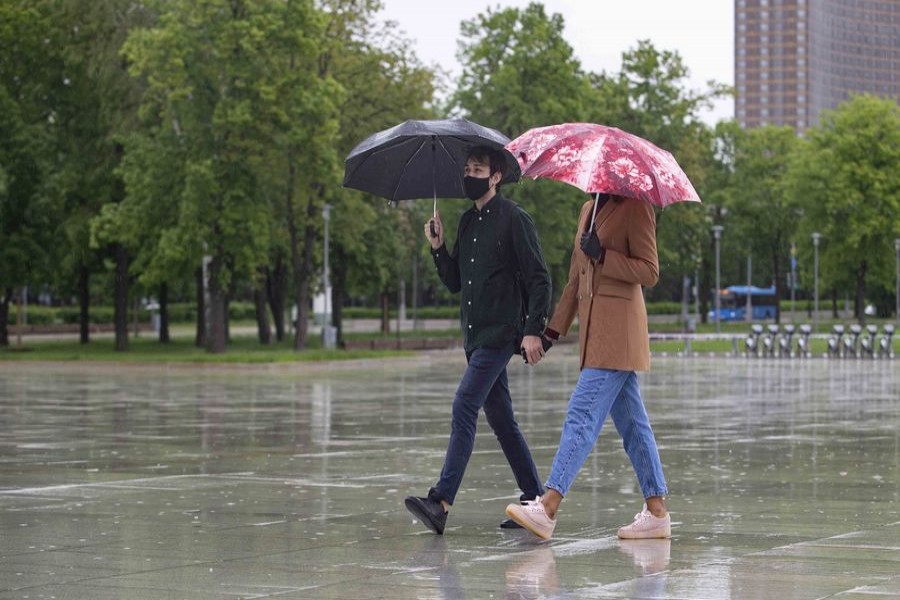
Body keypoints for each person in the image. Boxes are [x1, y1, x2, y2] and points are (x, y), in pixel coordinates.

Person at [404, 145, 552, 535]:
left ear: (496, 176)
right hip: (474, 337)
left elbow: (540, 278)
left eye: (478, 168)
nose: (470, 174)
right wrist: (438, 248)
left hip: (501, 334)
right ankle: (535, 500)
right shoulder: (467, 223)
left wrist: (533, 329)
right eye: (466, 168)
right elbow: (455, 282)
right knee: (502, 419)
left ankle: (440, 502)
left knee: (464, 404)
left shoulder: (514, 219)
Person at [505, 193, 671, 540]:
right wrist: (549, 333)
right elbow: (575, 281)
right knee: (634, 427)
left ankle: (548, 506)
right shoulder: (586, 210)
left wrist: (605, 256)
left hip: (619, 333)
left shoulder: (635, 207)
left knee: (581, 415)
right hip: (595, 336)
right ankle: (657, 511)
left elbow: (650, 270)